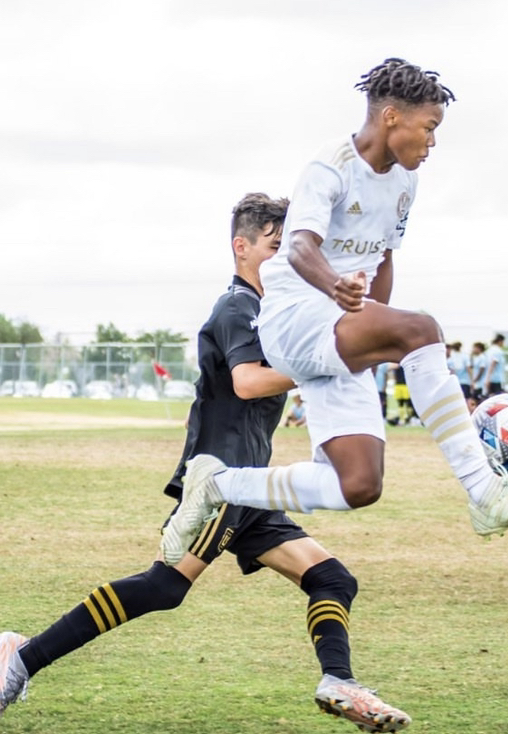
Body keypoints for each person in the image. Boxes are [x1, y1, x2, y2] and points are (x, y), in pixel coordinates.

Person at [0, 193, 410, 732]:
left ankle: (339, 682)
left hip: (252, 484)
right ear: (241, 248)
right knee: (164, 587)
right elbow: (247, 382)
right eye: (273, 245)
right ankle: (18, 662)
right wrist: (322, 365)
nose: (284, 256)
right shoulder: (238, 307)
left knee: (332, 579)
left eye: (290, 245)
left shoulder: (280, 310)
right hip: (217, 480)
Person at [160, 57, 508, 564]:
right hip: (293, 319)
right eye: (430, 127)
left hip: (340, 326)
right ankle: (486, 492)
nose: (433, 141)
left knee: (358, 484)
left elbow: (383, 259)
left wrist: (377, 322)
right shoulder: (329, 166)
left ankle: (219, 484)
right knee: (422, 329)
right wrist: (344, 294)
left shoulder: (405, 182)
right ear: (391, 118)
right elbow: (299, 249)